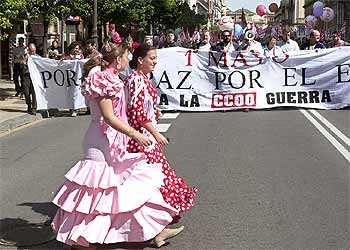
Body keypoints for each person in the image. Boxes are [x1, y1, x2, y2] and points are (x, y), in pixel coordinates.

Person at [51, 42, 184, 250]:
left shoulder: (112, 78)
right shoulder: (103, 79)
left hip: (113, 141)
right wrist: (136, 134)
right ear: (118, 60)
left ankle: (154, 229)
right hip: (101, 141)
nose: (127, 60)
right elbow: (109, 117)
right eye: (126, 56)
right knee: (95, 193)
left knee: (126, 188)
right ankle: (81, 240)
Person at [124, 45, 198, 221]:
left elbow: (144, 108)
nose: (155, 62)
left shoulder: (143, 79)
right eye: (152, 58)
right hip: (140, 139)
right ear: (141, 60)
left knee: (156, 177)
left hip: (144, 137)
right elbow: (137, 112)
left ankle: (157, 217)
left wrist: (154, 112)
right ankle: (153, 219)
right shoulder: (135, 80)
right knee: (151, 179)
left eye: (156, 58)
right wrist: (156, 133)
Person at [63, 41, 85, 117]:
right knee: (70, 93)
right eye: (75, 48)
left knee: (76, 92)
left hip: (77, 78)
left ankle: (75, 108)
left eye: (78, 49)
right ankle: (71, 108)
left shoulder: (81, 56)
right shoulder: (66, 56)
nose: (76, 50)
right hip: (68, 78)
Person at [22, 43, 38, 115]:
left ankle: (34, 108)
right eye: (31, 51)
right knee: (26, 92)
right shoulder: (26, 57)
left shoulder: (38, 57)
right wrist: (25, 60)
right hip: (26, 76)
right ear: (28, 50)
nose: (32, 53)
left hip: (34, 77)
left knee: (34, 93)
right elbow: (21, 66)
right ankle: (29, 105)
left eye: (33, 51)